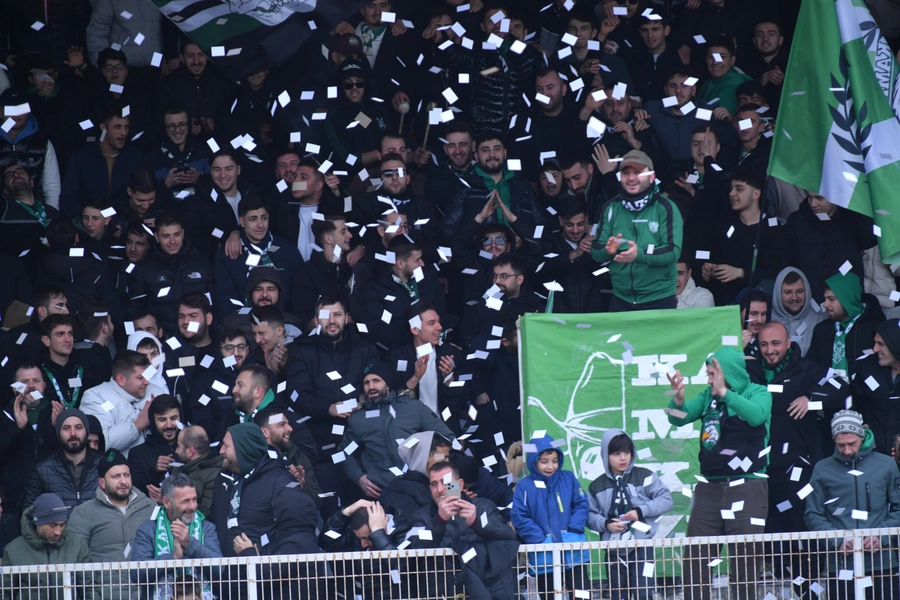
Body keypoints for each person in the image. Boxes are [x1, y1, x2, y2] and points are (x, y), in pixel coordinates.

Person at [666, 347, 772, 600]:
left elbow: (757, 416)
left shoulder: (759, 392)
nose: (708, 379)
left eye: (712, 374)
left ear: (727, 374)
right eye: (708, 374)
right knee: (697, 558)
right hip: (709, 489)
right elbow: (678, 418)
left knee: (745, 560)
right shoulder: (707, 396)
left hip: (748, 485)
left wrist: (726, 393)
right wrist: (677, 400)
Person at [748, 322, 846, 534]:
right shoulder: (750, 370)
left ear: (788, 343)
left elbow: (841, 385)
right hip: (756, 466)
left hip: (794, 465)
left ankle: (803, 568)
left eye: (776, 343)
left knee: (796, 526)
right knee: (762, 528)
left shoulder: (806, 368)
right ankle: (767, 568)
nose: (770, 350)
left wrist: (810, 398)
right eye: (764, 344)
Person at [805, 410, 900, 600]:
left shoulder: (886, 465)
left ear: (862, 436)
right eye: (840, 445)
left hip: (882, 563)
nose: (846, 450)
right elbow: (812, 514)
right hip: (839, 564)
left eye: (851, 444)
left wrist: (880, 536)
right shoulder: (822, 469)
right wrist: (837, 541)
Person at [339, 361, 455, 500]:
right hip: (382, 490)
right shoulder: (358, 419)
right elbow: (343, 453)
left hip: (421, 484)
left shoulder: (413, 408)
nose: (371, 387)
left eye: (376, 381)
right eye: (366, 383)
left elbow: (448, 438)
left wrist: (439, 476)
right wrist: (359, 478)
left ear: (387, 384)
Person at [406, 461, 519, 599]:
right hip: (442, 592)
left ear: (460, 484)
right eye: (434, 484)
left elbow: (508, 535)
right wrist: (439, 520)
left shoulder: (483, 507)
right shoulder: (421, 516)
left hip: (483, 589)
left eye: (446, 482)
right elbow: (415, 549)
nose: (440, 489)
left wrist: (477, 524)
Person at [590, 150, 683, 311]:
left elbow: (673, 250)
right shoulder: (611, 207)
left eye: (638, 172)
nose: (631, 177)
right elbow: (595, 250)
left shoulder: (666, 207)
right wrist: (608, 250)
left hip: (659, 298)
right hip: (621, 297)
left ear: (652, 176)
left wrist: (638, 255)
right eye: (626, 172)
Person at [587, 430, 673, 600]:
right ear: (605, 455)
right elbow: (589, 515)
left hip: (643, 546)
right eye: (616, 453)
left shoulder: (645, 476)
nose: (623, 458)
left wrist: (641, 511)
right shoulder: (596, 485)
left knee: (644, 591)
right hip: (613, 548)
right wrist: (606, 524)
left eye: (627, 452)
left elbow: (666, 499)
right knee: (618, 593)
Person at [211, 423, 319, 558]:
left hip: (263, 573)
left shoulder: (279, 481)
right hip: (227, 574)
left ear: (243, 449)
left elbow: (297, 534)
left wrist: (262, 555)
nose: (221, 451)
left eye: (226, 446)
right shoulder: (222, 480)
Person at [67, 449, 156, 600]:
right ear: (102, 482)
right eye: (116, 476)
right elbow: (75, 560)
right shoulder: (83, 513)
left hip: (146, 594)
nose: (123, 481)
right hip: (104, 595)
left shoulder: (150, 507)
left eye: (126, 475)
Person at [511, 435, 591, 598]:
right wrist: (540, 539)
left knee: (582, 594)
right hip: (544, 554)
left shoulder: (568, 478)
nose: (550, 466)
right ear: (534, 460)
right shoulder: (524, 486)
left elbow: (581, 504)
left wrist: (573, 530)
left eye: (554, 460)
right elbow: (519, 516)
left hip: (573, 550)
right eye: (544, 461)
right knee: (548, 595)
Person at [0, 363, 61, 545]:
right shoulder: (3, 416)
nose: (31, 386)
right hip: (14, 503)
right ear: (14, 388)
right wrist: (17, 428)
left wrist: (57, 429)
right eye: (24, 382)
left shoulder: (56, 412)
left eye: (36, 381)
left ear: (44, 385)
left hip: (52, 500)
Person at [131, 474, 221, 597]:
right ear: (166, 502)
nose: (193, 506)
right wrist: (173, 557)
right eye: (185, 501)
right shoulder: (148, 529)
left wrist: (190, 543)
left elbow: (219, 570)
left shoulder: (207, 527)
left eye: (194, 499)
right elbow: (137, 575)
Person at [126, 211, 212, 336]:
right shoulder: (144, 268)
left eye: (176, 234)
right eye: (166, 236)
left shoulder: (203, 263)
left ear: (183, 233)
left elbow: (213, 304)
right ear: (156, 237)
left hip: (198, 337)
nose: (172, 241)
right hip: (161, 339)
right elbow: (133, 310)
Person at [384, 304, 468, 431]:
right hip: (409, 430)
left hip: (444, 429)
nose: (439, 327)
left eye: (439, 322)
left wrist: (449, 379)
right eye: (431, 323)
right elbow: (392, 402)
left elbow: (459, 403)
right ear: (415, 329)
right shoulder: (396, 358)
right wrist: (415, 378)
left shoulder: (450, 354)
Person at [785, 190, 877, 302]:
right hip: (808, 303)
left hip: (845, 302)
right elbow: (788, 264)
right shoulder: (796, 221)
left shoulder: (852, 219)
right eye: (809, 197)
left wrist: (856, 206)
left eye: (819, 198)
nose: (813, 204)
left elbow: (871, 239)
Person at [59, 101, 143, 218]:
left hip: (123, 224)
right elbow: (67, 201)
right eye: (118, 127)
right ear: (103, 128)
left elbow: (139, 197)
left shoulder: (134, 157)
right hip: (87, 226)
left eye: (126, 127)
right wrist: (94, 217)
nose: (123, 132)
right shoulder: (82, 158)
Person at [1, 493, 92, 595]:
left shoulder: (77, 545)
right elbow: (5, 592)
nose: (58, 531)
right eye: (52, 525)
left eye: (62, 525)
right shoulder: (14, 550)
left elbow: (89, 588)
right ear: (37, 523)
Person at [80, 350, 166, 456]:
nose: (147, 382)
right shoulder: (95, 397)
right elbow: (102, 442)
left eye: (147, 376)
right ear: (121, 379)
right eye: (140, 378)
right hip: (120, 469)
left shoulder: (156, 392)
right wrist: (139, 423)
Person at [808, 271, 885, 380]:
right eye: (825, 299)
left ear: (847, 299)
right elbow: (811, 369)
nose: (825, 304)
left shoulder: (874, 329)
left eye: (831, 299)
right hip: (826, 394)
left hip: (863, 394)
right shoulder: (821, 330)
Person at [22, 407, 100, 511]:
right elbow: (29, 511)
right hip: (60, 527)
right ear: (58, 434)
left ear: (86, 432)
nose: (73, 433)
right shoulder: (43, 468)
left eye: (78, 427)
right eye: (66, 428)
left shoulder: (103, 463)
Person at [185, 328, 250, 443]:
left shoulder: (260, 375)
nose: (236, 353)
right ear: (220, 351)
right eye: (229, 348)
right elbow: (202, 421)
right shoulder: (204, 381)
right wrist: (234, 433)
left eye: (241, 347)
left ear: (248, 350)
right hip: (221, 446)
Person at [254, 406, 323, 510]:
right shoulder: (254, 460)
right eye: (282, 424)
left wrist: (301, 488)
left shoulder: (299, 457)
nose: (290, 428)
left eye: (288, 423)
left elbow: (317, 502)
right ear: (265, 432)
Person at [850, 319, 900, 456]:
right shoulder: (866, 369)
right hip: (873, 457)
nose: (875, 349)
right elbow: (854, 404)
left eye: (881, 344)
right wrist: (861, 424)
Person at [0, 164, 63, 260]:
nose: (16, 175)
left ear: (32, 182)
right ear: (5, 191)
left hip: (55, 265)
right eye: (9, 175)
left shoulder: (52, 212)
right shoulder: (4, 208)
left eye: (20, 172)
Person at [126, 394, 181, 501]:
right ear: (153, 421)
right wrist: (154, 472)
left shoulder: (191, 449)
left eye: (174, 418)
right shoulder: (137, 454)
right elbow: (132, 491)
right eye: (162, 419)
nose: (169, 425)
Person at [769, 267, 827, 356]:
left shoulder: (821, 318)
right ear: (778, 293)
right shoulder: (767, 319)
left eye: (799, 291)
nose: (794, 297)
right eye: (788, 292)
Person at [170, 425, 224, 518]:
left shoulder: (214, 475)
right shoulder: (178, 469)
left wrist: (171, 503)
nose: (176, 451)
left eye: (178, 446)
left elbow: (205, 514)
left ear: (190, 451)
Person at [697, 36, 752, 116]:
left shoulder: (735, 82)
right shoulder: (707, 82)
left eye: (722, 57)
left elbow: (717, 117)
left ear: (732, 60)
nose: (715, 62)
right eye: (711, 57)